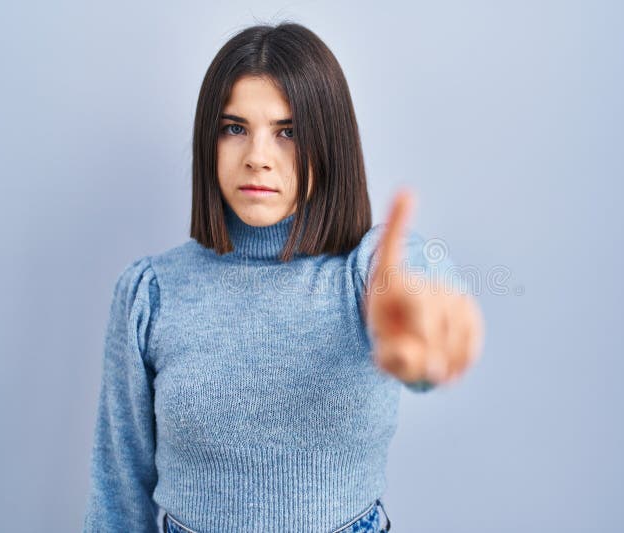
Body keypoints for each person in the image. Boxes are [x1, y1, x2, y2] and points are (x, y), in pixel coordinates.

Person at [83, 21, 484, 533]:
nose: (257, 157)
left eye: (287, 133)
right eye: (235, 128)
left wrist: (423, 319)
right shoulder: (151, 293)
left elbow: (411, 288)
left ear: (329, 143)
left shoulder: (368, 270)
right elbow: (118, 494)